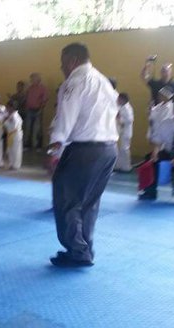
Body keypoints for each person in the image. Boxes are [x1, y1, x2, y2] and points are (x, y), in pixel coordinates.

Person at [48, 43, 118, 268]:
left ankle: (77, 251)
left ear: (72, 60)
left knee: (67, 200)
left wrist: (54, 151)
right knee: (89, 203)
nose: (61, 67)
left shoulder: (75, 81)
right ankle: (85, 248)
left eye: (62, 63)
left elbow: (65, 119)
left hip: (85, 150)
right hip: (108, 149)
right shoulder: (104, 82)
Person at [23, 73, 49, 151]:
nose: (31, 80)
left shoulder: (43, 88)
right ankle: (27, 145)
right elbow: (26, 98)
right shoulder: (30, 88)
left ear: (38, 79)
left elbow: (45, 99)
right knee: (27, 128)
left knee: (37, 129)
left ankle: (38, 146)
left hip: (38, 110)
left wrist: (41, 108)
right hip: (29, 110)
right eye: (31, 79)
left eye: (32, 79)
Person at [115, 93, 134, 172]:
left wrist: (120, 119)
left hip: (126, 132)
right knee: (119, 149)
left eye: (119, 99)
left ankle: (126, 166)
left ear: (123, 100)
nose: (118, 100)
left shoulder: (127, 108)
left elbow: (130, 120)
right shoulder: (121, 107)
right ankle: (119, 165)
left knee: (124, 149)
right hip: (121, 131)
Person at [3, 100, 23, 170]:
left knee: (16, 150)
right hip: (10, 134)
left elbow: (15, 126)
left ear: (12, 107)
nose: (6, 108)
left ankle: (16, 165)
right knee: (10, 149)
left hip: (16, 134)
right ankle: (11, 164)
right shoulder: (9, 115)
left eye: (8, 107)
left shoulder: (15, 115)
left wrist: (8, 120)